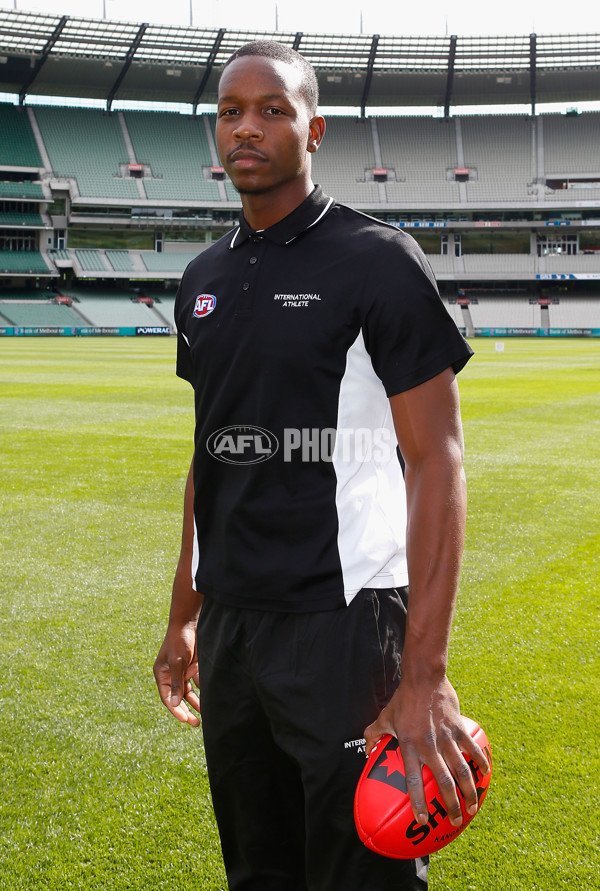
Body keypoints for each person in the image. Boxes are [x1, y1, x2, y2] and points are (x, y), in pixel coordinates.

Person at [153, 40, 490, 891]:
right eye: (231, 111)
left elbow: (437, 460)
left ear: (316, 130)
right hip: (234, 626)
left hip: (344, 627)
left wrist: (425, 675)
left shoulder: (375, 260)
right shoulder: (202, 277)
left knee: (359, 876)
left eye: (273, 109)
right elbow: (211, 455)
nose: (247, 128)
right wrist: (184, 614)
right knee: (258, 868)